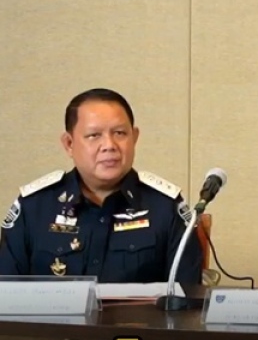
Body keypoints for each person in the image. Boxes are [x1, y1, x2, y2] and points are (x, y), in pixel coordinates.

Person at [0, 88, 202, 284]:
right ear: (69, 144)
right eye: (94, 135)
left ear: (134, 138)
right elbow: (6, 294)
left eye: (120, 133)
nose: (109, 145)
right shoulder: (34, 207)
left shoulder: (166, 207)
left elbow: (187, 296)